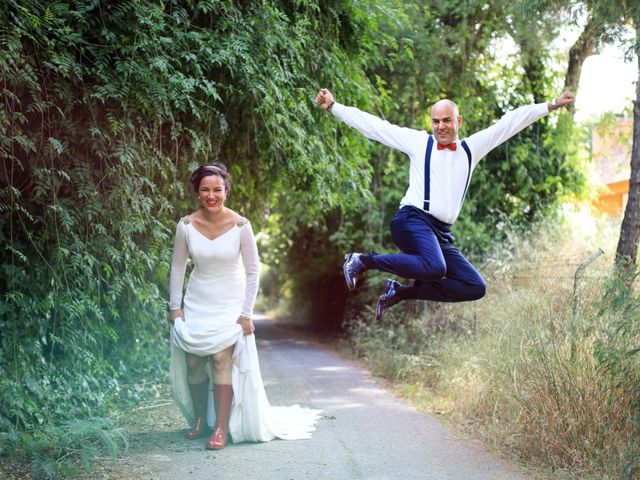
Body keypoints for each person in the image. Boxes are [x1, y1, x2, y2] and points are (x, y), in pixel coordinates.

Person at [315, 88, 575, 321]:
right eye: (436, 121)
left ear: (458, 121)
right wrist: (335, 107)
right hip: (411, 220)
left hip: (441, 234)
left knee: (474, 286)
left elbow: (510, 123)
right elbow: (375, 127)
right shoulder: (419, 143)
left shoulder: (471, 149)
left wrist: (551, 104)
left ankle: (400, 291)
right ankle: (361, 261)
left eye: (446, 120)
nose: (440, 126)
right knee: (435, 267)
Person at [169, 164, 321, 450]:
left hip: (230, 302)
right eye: (205, 190)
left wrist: (246, 313)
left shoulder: (241, 225)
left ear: (226, 190)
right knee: (193, 362)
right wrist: (175, 307)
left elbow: (253, 271)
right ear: (197, 192)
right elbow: (178, 268)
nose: (211, 195)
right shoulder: (186, 226)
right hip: (198, 300)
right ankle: (200, 420)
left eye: (217, 189)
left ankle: (221, 429)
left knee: (219, 360)